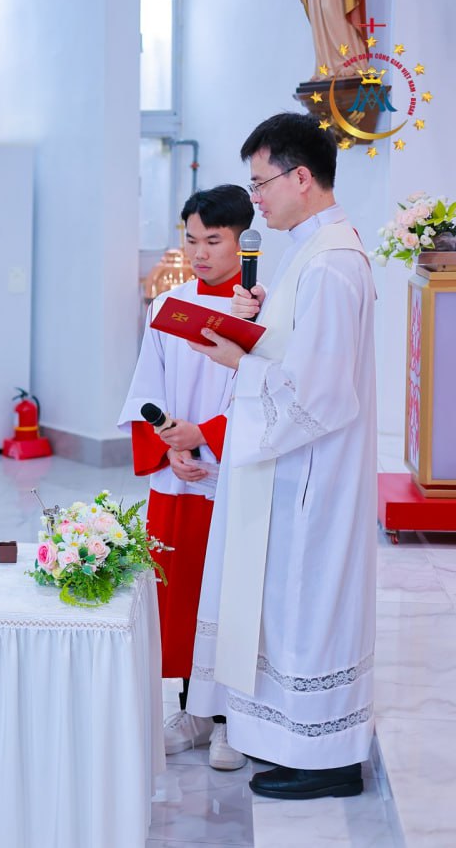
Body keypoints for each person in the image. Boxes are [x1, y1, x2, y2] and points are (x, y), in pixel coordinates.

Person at [188, 112, 376, 800]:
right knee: (293, 610)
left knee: (308, 607)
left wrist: (241, 359)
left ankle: (329, 760)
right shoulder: (313, 250)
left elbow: (321, 392)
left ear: (301, 177)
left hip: (313, 475)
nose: (255, 199)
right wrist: (262, 324)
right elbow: (304, 349)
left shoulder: (331, 262)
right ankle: (303, 744)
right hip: (300, 469)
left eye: (261, 183)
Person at [118, 185, 254, 772]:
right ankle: (191, 712)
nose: (200, 253)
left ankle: (231, 722)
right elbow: (146, 389)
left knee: (230, 597)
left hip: (235, 476)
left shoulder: (263, 308)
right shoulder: (167, 307)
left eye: (213, 241)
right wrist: (168, 443)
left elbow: (265, 396)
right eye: (191, 239)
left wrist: (206, 434)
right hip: (178, 477)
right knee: (180, 599)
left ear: (243, 241)